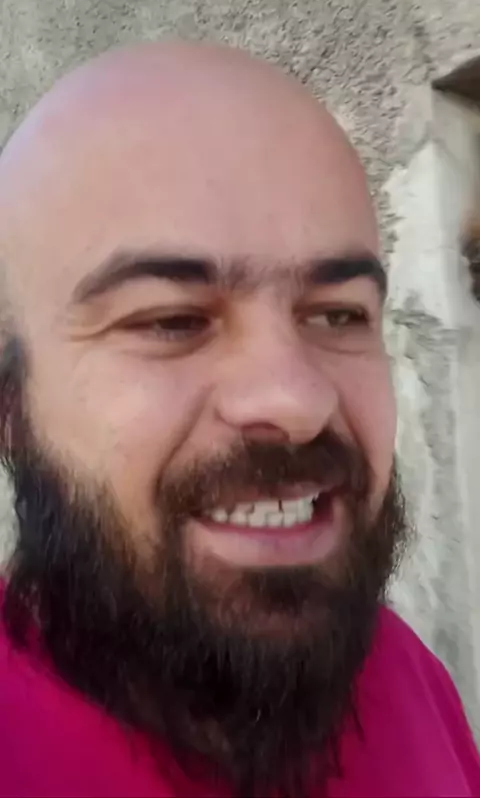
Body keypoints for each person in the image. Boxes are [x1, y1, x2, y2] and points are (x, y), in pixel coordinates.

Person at [0, 41, 477, 798]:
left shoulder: (403, 670)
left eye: (338, 314)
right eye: (171, 321)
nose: (297, 401)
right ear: (11, 407)